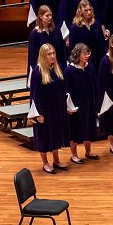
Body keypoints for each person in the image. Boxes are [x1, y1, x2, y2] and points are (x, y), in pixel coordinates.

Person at [28, 44, 71, 173]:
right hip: (44, 110)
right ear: (43, 56)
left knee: (56, 135)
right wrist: (38, 114)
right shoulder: (38, 71)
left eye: (53, 53)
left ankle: (56, 160)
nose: (52, 56)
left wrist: (67, 105)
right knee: (44, 137)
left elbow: (64, 89)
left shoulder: (57, 69)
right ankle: (45, 162)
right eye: (49, 54)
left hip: (56, 108)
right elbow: (35, 95)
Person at [66, 43, 100, 164]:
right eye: (84, 54)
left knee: (89, 127)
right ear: (77, 54)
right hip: (76, 104)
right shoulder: (70, 70)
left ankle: (88, 151)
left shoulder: (90, 67)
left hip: (89, 102)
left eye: (88, 53)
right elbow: (67, 90)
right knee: (75, 130)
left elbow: (95, 84)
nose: (87, 56)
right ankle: (74, 154)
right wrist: (69, 106)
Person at [28, 5, 64, 79]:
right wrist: (37, 70)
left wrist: (62, 66)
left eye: (50, 15)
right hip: (43, 69)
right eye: (47, 15)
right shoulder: (34, 34)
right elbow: (33, 55)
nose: (50, 17)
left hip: (56, 67)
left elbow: (61, 51)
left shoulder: (56, 31)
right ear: (40, 17)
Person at [67, 0, 106, 64]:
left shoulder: (96, 24)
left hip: (98, 59)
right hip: (83, 61)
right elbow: (73, 48)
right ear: (80, 11)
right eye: (86, 10)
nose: (88, 12)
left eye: (90, 10)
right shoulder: (75, 28)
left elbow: (102, 43)